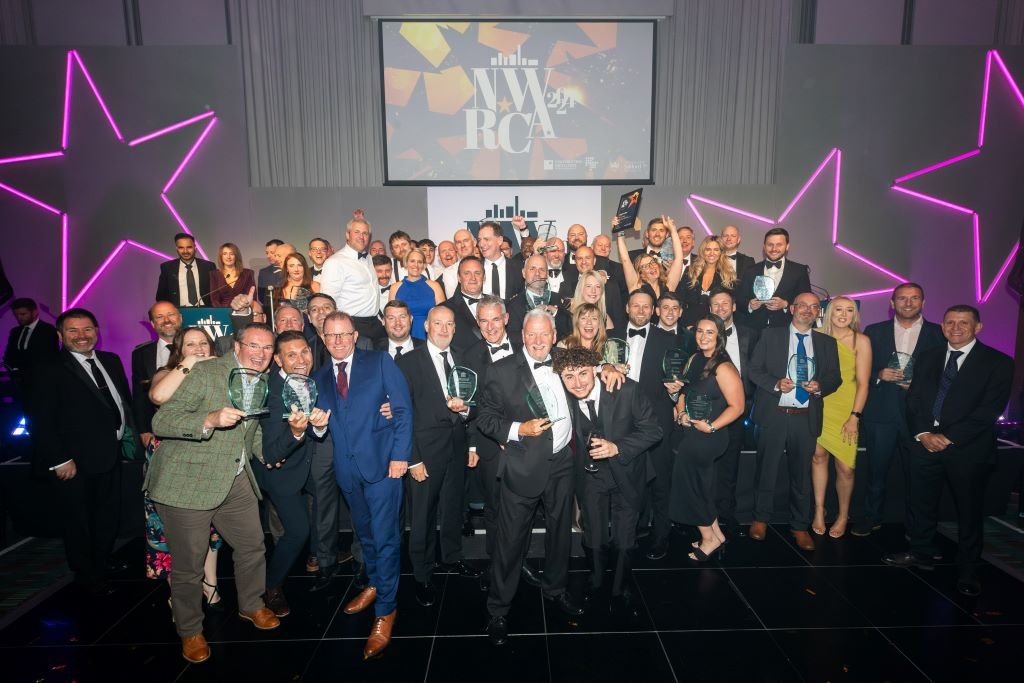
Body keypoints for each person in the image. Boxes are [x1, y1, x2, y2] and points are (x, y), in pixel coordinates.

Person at [148, 322, 281, 662]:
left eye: (267, 348)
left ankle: (251, 605)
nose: (260, 354)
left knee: (252, 546)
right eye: (254, 345)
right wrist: (208, 419)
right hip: (187, 484)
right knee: (189, 565)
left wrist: (275, 452)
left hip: (234, 479)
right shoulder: (207, 372)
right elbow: (162, 422)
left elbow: (249, 435)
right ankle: (190, 630)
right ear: (236, 346)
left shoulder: (260, 380)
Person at [882, 305, 1013, 596]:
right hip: (924, 442)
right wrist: (924, 433)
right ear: (942, 326)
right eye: (950, 322)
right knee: (920, 503)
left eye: (963, 323)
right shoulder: (928, 357)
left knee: (968, 511)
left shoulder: (998, 362)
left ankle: (968, 571)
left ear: (977, 327)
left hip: (968, 450)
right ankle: (921, 552)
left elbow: (988, 411)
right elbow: (914, 400)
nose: (956, 328)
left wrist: (948, 437)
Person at [477, 309, 584, 646]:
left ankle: (556, 588)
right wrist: (517, 429)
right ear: (522, 335)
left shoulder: (566, 361)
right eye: (532, 335)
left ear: (554, 335)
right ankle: (498, 609)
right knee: (510, 541)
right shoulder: (501, 371)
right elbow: (485, 419)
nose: (538, 341)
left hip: (563, 463)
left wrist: (609, 370)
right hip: (523, 466)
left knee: (560, 533)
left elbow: (592, 374)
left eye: (545, 334)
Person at [312, 312, 412, 659]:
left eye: (343, 334)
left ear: (355, 335)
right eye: (330, 336)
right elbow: (321, 425)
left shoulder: (379, 361)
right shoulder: (321, 375)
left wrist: (401, 455)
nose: (337, 341)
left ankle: (386, 609)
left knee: (385, 538)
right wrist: (314, 425)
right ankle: (374, 583)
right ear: (323, 339)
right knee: (365, 535)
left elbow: (402, 410)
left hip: (384, 466)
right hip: (348, 472)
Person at [30, 308, 133, 595]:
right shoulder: (48, 368)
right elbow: (42, 419)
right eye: (73, 331)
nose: (81, 336)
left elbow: (120, 402)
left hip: (109, 454)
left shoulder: (110, 361)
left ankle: (101, 561)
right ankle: (86, 575)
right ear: (60, 335)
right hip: (73, 461)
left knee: (106, 515)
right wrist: (59, 459)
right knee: (78, 522)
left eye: (87, 329)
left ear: (96, 332)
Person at [556, 347, 661, 616]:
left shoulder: (626, 390)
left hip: (627, 471)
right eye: (569, 377)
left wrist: (618, 447)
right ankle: (596, 580)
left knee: (625, 537)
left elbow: (653, 430)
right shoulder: (562, 398)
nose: (577, 383)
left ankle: (620, 589)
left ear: (595, 370)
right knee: (594, 533)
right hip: (589, 476)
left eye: (583, 374)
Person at [397, 306, 481, 607]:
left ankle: (452, 557)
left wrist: (468, 422)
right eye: (438, 323)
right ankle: (421, 574)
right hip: (424, 453)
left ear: (455, 328)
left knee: (453, 508)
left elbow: (474, 404)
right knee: (422, 515)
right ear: (426, 327)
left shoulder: (463, 358)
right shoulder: (408, 363)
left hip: (457, 447)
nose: (444, 329)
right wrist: (413, 459)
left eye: (449, 324)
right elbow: (401, 416)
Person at [747, 292, 842, 551]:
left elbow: (835, 377)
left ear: (817, 312)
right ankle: (760, 519)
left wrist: (820, 385)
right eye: (802, 306)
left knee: (801, 475)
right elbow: (753, 370)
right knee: (766, 470)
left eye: (813, 307)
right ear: (792, 309)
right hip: (774, 415)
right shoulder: (770, 336)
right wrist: (775, 384)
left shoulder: (826, 342)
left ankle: (799, 526)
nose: (808, 310)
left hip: (805, 417)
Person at [852, 282, 945, 537]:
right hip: (881, 414)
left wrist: (920, 384)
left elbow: (945, 376)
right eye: (902, 298)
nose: (908, 303)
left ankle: (918, 529)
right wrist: (878, 374)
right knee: (876, 472)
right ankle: (872, 518)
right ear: (892, 304)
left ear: (923, 303)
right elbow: (858, 370)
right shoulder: (874, 331)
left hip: (920, 418)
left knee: (919, 476)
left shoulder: (938, 334)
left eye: (914, 298)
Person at [144, 327, 222, 612]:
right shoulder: (166, 373)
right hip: (172, 465)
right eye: (191, 344)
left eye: (204, 343)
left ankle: (211, 584)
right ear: (179, 349)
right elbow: (158, 396)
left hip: (208, 459)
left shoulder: (219, 373)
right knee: (175, 535)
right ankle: (179, 596)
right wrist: (188, 363)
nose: (199, 348)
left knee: (210, 529)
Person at [257, 330, 331, 617]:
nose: (301, 359)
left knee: (324, 505)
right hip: (280, 471)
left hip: (307, 464)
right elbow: (273, 452)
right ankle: (271, 586)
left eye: (305, 352)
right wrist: (296, 432)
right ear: (277, 359)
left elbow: (317, 427)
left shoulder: (309, 382)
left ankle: (320, 553)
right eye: (292, 354)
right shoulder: (271, 393)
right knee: (296, 531)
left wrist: (319, 427)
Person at [611, 289, 681, 560]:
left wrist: (676, 393)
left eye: (646, 307)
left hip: (657, 418)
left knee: (661, 478)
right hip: (619, 418)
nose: (641, 311)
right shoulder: (612, 335)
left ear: (653, 311)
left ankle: (661, 535)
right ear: (627, 308)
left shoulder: (668, 339)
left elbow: (675, 382)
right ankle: (634, 527)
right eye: (636, 306)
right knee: (627, 478)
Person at [670, 315, 745, 561]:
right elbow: (684, 390)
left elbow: (738, 407)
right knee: (699, 485)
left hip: (710, 437)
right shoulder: (694, 359)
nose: (703, 336)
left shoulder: (723, 367)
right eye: (700, 331)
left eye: (710, 332)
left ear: (719, 336)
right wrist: (681, 412)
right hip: (691, 434)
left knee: (691, 488)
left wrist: (711, 427)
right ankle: (716, 534)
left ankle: (709, 539)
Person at [811, 297, 872, 538]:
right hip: (818, 404)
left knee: (845, 468)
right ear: (828, 312)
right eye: (838, 309)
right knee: (817, 457)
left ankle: (843, 515)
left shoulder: (861, 341)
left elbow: (864, 384)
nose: (843, 314)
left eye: (849, 310)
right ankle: (818, 510)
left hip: (846, 408)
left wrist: (855, 416)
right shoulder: (815, 335)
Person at [707, 289, 759, 532]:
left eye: (724, 303)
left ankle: (725, 512)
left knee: (730, 463)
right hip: (707, 408)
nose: (720, 308)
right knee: (707, 463)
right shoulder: (701, 335)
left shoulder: (750, 333)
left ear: (734, 307)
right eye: (715, 304)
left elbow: (757, 369)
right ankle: (703, 513)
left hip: (739, 408)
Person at [319, 215, 386, 342]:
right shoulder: (335, 262)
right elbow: (327, 301)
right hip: (352, 326)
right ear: (347, 235)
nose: (361, 237)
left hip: (374, 325)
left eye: (365, 233)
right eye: (357, 232)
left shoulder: (370, 259)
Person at [735, 227, 811, 329]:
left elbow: (806, 302)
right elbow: (740, 300)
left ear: (787, 246)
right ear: (764, 247)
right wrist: (750, 305)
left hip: (785, 329)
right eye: (770, 244)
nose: (774, 249)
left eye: (779, 244)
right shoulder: (751, 270)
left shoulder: (799, 271)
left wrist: (785, 305)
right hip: (754, 331)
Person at [131, 302, 182, 450]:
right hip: (157, 429)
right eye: (159, 317)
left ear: (180, 318)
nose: (166, 320)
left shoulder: (198, 349)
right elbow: (139, 395)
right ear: (153, 324)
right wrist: (143, 430)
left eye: (170, 315)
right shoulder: (141, 354)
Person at [617, 215, 685, 301]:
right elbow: (625, 259)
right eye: (645, 266)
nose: (651, 267)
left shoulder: (668, 286)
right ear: (640, 273)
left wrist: (673, 230)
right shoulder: (636, 287)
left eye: (653, 262)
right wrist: (620, 231)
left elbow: (679, 257)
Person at [506, 254, 571, 340]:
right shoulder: (513, 305)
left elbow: (569, 330)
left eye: (542, 269)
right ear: (524, 273)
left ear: (547, 274)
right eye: (532, 269)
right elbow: (514, 339)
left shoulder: (557, 298)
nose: (537, 273)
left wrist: (555, 312)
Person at [679, 235, 737, 327]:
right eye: (708, 249)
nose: (712, 253)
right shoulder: (690, 271)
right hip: (688, 326)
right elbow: (679, 299)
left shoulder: (728, 275)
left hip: (715, 328)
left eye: (716, 250)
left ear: (721, 252)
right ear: (703, 251)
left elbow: (730, 306)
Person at [388, 248, 444, 341]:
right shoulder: (395, 288)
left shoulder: (435, 286)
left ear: (424, 265)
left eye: (420, 262)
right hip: (403, 335)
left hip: (430, 335)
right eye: (412, 261)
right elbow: (391, 317)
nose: (416, 265)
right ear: (406, 263)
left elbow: (442, 316)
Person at [565, 247, 625, 328]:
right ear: (575, 261)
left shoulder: (610, 286)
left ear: (594, 261)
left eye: (588, 258)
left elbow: (619, 321)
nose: (584, 262)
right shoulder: (567, 285)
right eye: (579, 258)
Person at [3, 296, 59, 384]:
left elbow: (49, 357)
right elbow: (9, 354)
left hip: (42, 381)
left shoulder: (48, 330)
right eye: (16, 315)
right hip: (19, 381)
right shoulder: (15, 331)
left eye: (23, 314)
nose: (19, 318)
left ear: (35, 312)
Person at [156, 233, 215, 307]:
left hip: (205, 310)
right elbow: (161, 296)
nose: (185, 251)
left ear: (195, 248)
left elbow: (216, 293)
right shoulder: (167, 268)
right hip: (178, 311)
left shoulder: (208, 266)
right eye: (181, 247)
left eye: (189, 247)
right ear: (176, 249)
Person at [442, 255, 486, 353]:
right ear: (459, 278)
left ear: (484, 277)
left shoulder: (499, 304)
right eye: (467, 273)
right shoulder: (444, 309)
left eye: (477, 273)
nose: (473, 278)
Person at [478, 222, 524, 300]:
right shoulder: (475, 268)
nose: (481, 244)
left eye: (486, 239)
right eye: (479, 240)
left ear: (499, 240)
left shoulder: (519, 268)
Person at [209, 243, 256, 308]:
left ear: (236, 256)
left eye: (231, 254)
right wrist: (221, 312)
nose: (228, 257)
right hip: (222, 311)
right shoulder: (214, 274)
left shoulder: (247, 273)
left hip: (242, 310)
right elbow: (214, 299)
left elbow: (252, 296)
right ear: (221, 256)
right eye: (225, 254)